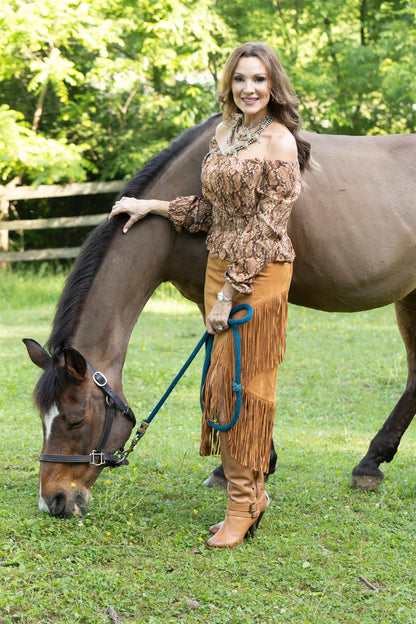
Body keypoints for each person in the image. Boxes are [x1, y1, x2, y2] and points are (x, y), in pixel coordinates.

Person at [109, 41, 311, 549]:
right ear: (230, 84)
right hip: (221, 265)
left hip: (258, 273)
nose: (249, 88)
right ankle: (252, 495)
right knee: (223, 385)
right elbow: (212, 212)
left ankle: (243, 503)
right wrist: (152, 206)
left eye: (259, 80)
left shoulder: (280, 143)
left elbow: (267, 229)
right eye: (241, 79)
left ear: (273, 85)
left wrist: (227, 296)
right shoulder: (225, 133)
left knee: (244, 387)